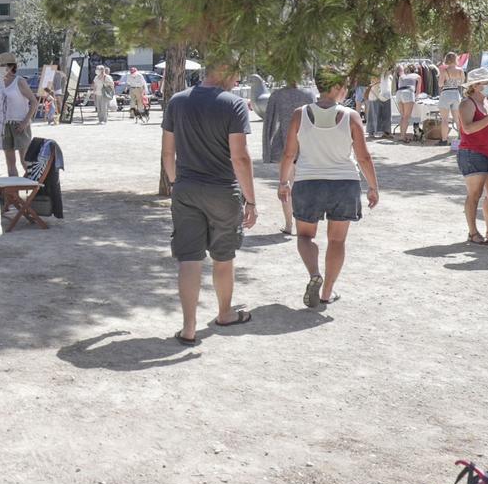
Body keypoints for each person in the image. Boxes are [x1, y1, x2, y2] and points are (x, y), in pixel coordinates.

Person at [161, 62, 257, 343]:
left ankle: (188, 327)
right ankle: (225, 313)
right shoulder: (234, 105)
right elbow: (240, 158)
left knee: (189, 260)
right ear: (226, 70)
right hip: (223, 191)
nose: (238, 78)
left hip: (186, 188)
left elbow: (168, 153)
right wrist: (250, 200)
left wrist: (176, 183)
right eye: (238, 72)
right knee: (223, 258)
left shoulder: (177, 102)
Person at [277, 70, 380, 307]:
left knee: (305, 236)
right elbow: (363, 157)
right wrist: (373, 187)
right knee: (337, 241)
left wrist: (283, 182)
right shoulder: (351, 116)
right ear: (336, 88)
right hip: (344, 184)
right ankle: (327, 292)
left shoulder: (299, 115)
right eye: (344, 87)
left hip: (308, 182)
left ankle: (314, 273)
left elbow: (289, 153)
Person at [455, 66, 488, 245]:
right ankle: (473, 232)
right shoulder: (466, 103)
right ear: (477, 85)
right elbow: (468, 129)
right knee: (475, 194)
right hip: (472, 152)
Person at [260, 76, 317, 236]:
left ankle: (289, 224)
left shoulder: (277, 95)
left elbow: (268, 124)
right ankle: (302, 222)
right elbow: (315, 121)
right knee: (302, 185)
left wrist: (266, 152)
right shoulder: (309, 94)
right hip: (305, 142)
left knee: (286, 184)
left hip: (283, 142)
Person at [0, 54, 35, 175]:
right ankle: (14, 191)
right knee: (10, 162)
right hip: (5, 124)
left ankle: (35, 187)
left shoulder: (19, 81)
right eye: (0, 66)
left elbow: (34, 102)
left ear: (11, 67)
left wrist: (25, 122)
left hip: (20, 123)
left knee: (25, 161)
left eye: (3, 65)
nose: (1, 68)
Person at [437, 57, 465, 140]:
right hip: (456, 93)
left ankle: (444, 140)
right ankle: (461, 138)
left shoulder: (444, 70)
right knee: (457, 119)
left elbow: (440, 84)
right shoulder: (460, 70)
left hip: (446, 93)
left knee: (445, 119)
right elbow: (462, 82)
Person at [393, 65, 418, 139]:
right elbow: (418, 90)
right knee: (406, 117)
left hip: (399, 93)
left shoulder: (402, 76)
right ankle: (403, 136)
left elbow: (398, 69)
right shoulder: (416, 76)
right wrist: (416, 97)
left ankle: (402, 135)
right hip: (408, 93)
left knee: (403, 116)